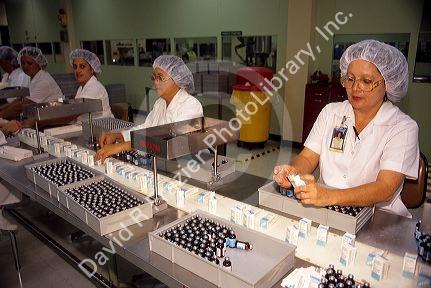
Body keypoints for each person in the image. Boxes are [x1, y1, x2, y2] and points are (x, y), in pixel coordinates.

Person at [273, 39, 419, 217]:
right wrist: (294, 171)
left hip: (378, 216)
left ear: (388, 84)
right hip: (328, 209)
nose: (355, 87)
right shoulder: (331, 113)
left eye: (366, 81)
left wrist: (329, 196)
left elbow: (385, 188)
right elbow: (307, 158)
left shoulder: (403, 128)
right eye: (350, 79)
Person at [95, 55, 203, 163]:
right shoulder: (160, 103)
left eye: (160, 78)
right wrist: (120, 135)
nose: (155, 82)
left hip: (186, 166)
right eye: (154, 77)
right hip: (163, 163)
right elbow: (147, 129)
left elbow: (171, 142)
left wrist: (122, 147)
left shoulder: (191, 105)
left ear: (177, 79)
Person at [0, 47, 64, 119]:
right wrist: (2, 109)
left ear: (38, 63)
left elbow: (23, 105)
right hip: (45, 116)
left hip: (55, 117)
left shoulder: (43, 81)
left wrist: (1, 115)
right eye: (23, 63)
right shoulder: (34, 78)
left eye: (29, 63)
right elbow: (22, 100)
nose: (25, 66)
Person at [69, 48, 114, 122]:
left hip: (104, 129)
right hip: (90, 126)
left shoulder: (94, 88)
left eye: (82, 66)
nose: (77, 70)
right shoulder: (81, 88)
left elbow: (77, 112)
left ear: (92, 69)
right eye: (75, 67)